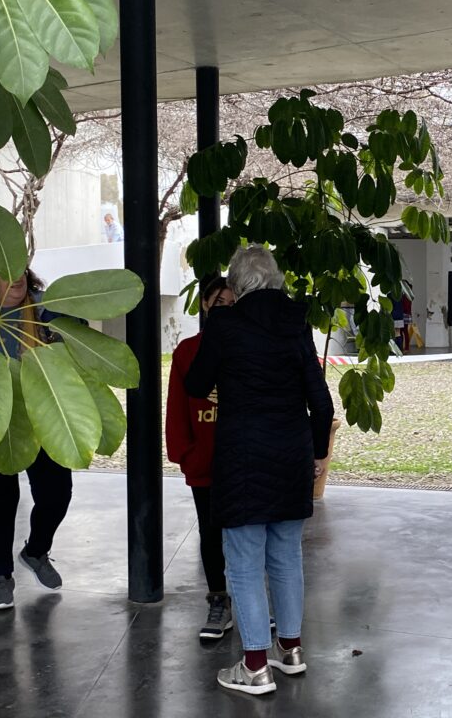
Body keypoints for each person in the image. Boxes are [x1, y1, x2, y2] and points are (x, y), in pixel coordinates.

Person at [185, 246, 334, 696]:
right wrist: (318, 451)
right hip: (291, 455)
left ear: (235, 284)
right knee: (287, 556)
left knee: (245, 563)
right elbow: (321, 401)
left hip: (243, 458)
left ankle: (253, 668)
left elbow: (195, 383)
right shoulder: (297, 323)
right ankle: (289, 652)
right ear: (277, 280)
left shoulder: (225, 325)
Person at [0, 267, 72, 611]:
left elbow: (75, 346)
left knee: (57, 493)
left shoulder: (47, 310)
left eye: (18, 269)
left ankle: (35, 551)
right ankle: (1, 576)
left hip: (41, 414)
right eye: (3, 272)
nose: (14, 277)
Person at [166, 276, 237, 640]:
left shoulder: (248, 347)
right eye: (218, 301)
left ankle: (250, 599)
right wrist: (186, 453)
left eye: (232, 301)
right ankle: (219, 599)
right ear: (206, 305)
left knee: (247, 533)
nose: (224, 307)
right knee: (211, 533)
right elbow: (177, 407)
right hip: (205, 461)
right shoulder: (187, 352)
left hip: (243, 460)